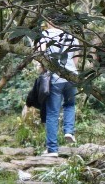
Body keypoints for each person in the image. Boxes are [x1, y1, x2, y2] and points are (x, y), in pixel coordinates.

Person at [31, 24, 79, 154]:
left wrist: (42, 69)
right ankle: (69, 131)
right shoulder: (71, 37)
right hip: (71, 77)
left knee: (52, 113)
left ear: (48, 21)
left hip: (55, 79)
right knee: (70, 105)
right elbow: (76, 60)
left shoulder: (44, 36)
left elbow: (39, 55)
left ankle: (52, 149)